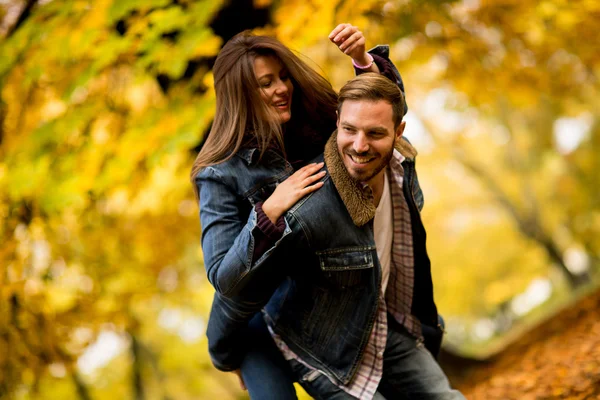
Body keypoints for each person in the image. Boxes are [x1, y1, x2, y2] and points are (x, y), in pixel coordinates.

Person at [207, 73, 464, 400]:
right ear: (337, 123)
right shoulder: (309, 209)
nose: (360, 145)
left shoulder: (402, 168)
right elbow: (236, 289)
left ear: (398, 133)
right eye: (350, 130)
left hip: (378, 324)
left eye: (375, 133)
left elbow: (392, 98)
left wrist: (364, 60)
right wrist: (222, 353)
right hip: (320, 349)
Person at [191, 24, 406, 399]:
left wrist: (363, 61)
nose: (281, 89)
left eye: (283, 77)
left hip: (312, 310)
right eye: (265, 83)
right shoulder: (219, 174)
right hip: (252, 323)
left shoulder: (316, 122)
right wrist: (270, 208)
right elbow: (224, 278)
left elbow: (380, 115)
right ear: (240, 95)